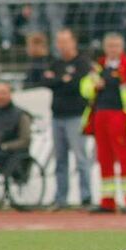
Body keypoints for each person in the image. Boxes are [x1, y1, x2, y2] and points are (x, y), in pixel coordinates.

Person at [80, 33, 126, 213]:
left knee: (124, 157)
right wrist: (94, 86)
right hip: (100, 115)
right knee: (104, 158)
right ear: (104, 47)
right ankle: (107, 201)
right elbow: (84, 88)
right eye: (110, 45)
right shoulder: (98, 66)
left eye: (116, 45)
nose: (113, 49)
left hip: (119, 115)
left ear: (122, 47)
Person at [41, 29, 92, 210]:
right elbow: (46, 82)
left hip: (76, 116)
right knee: (60, 160)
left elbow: (76, 84)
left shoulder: (82, 62)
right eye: (59, 42)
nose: (61, 45)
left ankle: (86, 197)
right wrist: (63, 80)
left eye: (65, 41)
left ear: (74, 42)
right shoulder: (55, 62)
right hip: (57, 117)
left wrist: (59, 80)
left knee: (81, 158)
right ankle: (61, 198)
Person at [0, 83, 32, 171]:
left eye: (3, 93)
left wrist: (5, 146)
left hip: (7, 152)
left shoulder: (20, 115)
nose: (0, 96)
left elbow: (25, 140)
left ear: (10, 94)